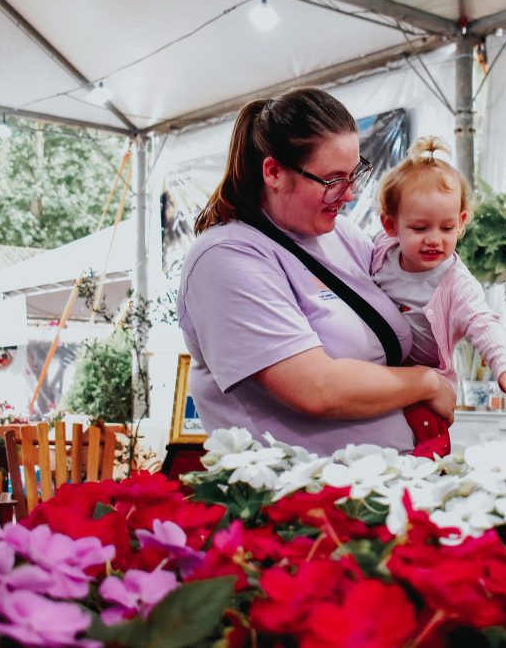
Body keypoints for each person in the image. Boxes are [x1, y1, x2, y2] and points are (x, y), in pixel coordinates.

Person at [177, 88, 456, 455]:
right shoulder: (225, 257)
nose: (349, 194)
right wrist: (427, 382)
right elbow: (316, 388)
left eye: (354, 174)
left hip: (387, 472)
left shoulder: (342, 236)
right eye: (332, 180)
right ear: (274, 172)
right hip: (298, 483)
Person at [371, 137, 506, 453]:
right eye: (420, 228)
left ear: (461, 223)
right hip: (378, 373)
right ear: (391, 225)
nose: (434, 239)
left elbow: (483, 323)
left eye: (446, 228)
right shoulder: (380, 252)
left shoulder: (457, 283)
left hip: (429, 381)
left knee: (426, 444)